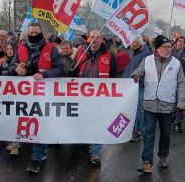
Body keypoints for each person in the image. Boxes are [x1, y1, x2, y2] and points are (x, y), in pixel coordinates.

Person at [11, 23, 63, 173]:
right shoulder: (21, 48)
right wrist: (16, 69)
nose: (33, 35)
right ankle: (37, 149)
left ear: (41, 33)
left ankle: (36, 158)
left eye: (36, 33)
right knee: (24, 122)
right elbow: (11, 65)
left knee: (39, 123)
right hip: (23, 95)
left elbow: (60, 68)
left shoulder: (51, 48)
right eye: (31, 33)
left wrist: (44, 75)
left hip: (43, 94)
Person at [131, 35, 185, 174]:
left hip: (167, 104)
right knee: (149, 133)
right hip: (149, 104)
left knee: (166, 134)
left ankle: (163, 155)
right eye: (164, 47)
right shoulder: (148, 60)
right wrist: (135, 75)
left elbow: (181, 83)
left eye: (169, 47)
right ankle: (147, 162)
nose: (168, 49)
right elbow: (138, 71)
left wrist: (181, 102)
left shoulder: (176, 63)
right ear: (157, 48)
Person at [74, 30, 117, 166]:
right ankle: (84, 143)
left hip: (100, 97)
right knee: (84, 121)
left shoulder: (109, 55)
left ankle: (95, 152)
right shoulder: (80, 53)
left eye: (97, 37)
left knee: (98, 123)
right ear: (88, 39)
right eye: (92, 37)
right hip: (81, 96)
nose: (94, 40)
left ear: (102, 40)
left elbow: (115, 76)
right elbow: (74, 72)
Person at [123, 35, 152, 142]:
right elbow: (129, 67)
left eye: (131, 42)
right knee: (131, 108)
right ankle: (132, 128)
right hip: (130, 85)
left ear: (137, 43)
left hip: (140, 85)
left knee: (138, 109)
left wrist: (139, 80)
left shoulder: (146, 54)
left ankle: (139, 130)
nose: (129, 44)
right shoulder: (132, 52)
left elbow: (144, 70)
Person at [172, 36, 185, 132]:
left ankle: (178, 123)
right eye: (179, 41)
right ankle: (172, 119)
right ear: (176, 42)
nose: (180, 43)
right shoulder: (171, 53)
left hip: (182, 82)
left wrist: (182, 75)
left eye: (182, 41)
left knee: (181, 101)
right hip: (171, 81)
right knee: (172, 101)